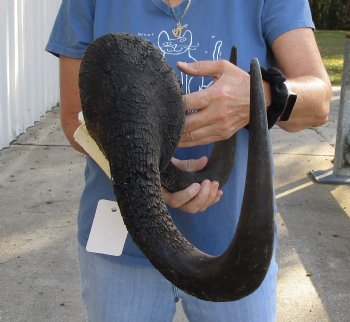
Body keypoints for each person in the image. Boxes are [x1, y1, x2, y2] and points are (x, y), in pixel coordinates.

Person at [46, 0, 331, 321]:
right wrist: (144, 179)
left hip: (234, 242)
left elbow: (317, 101)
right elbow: (75, 119)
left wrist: (263, 95)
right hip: (122, 244)